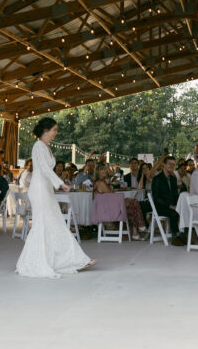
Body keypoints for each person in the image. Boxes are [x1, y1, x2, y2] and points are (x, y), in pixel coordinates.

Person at [16, 118, 95, 278]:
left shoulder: (46, 147)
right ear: (46, 130)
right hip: (39, 190)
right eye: (54, 130)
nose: (56, 133)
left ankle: (74, 260)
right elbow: (44, 168)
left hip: (46, 189)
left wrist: (57, 184)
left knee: (56, 223)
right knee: (42, 225)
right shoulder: (38, 146)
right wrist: (61, 184)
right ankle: (32, 262)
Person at [92, 165, 147, 239]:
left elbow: (111, 194)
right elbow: (112, 195)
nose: (105, 171)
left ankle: (136, 231)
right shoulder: (100, 183)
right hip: (108, 209)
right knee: (134, 203)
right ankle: (140, 227)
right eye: (102, 169)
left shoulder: (103, 181)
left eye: (105, 169)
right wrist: (124, 199)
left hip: (110, 206)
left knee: (133, 205)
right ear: (98, 172)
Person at [151, 155, 185, 244]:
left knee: (185, 210)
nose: (172, 166)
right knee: (174, 213)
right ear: (164, 165)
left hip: (171, 206)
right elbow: (156, 198)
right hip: (160, 207)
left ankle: (184, 234)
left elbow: (175, 195)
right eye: (169, 164)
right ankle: (175, 237)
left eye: (173, 165)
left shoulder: (173, 179)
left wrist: (179, 205)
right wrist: (170, 206)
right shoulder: (157, 179)